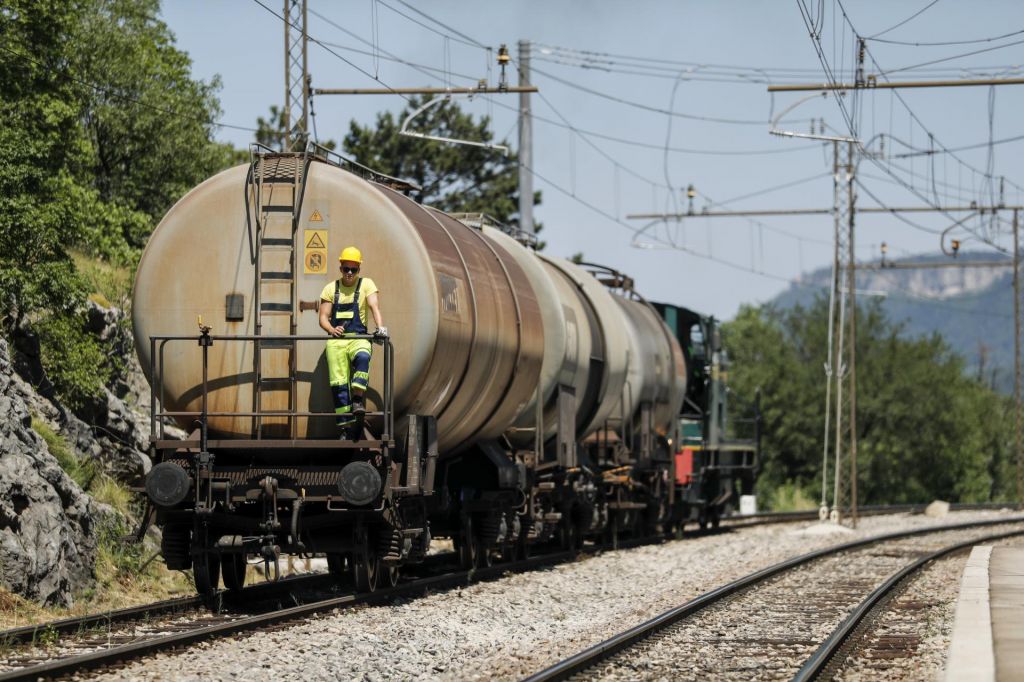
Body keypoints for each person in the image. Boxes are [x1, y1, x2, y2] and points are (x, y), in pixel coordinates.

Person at [318, 246, 387, 440]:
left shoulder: (367, 285)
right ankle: (344, 429)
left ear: (359, 269)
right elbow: (323, 316)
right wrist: (331, 329)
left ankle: (358, 399)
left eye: (353, 269)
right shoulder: (331, 288)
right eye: (345, 268)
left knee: (363, 356)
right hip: (337, 342)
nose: (349, 273)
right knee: (338, 385)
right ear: (340, 267)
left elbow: (374, 307)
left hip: (358, 338)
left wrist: (380, 328)